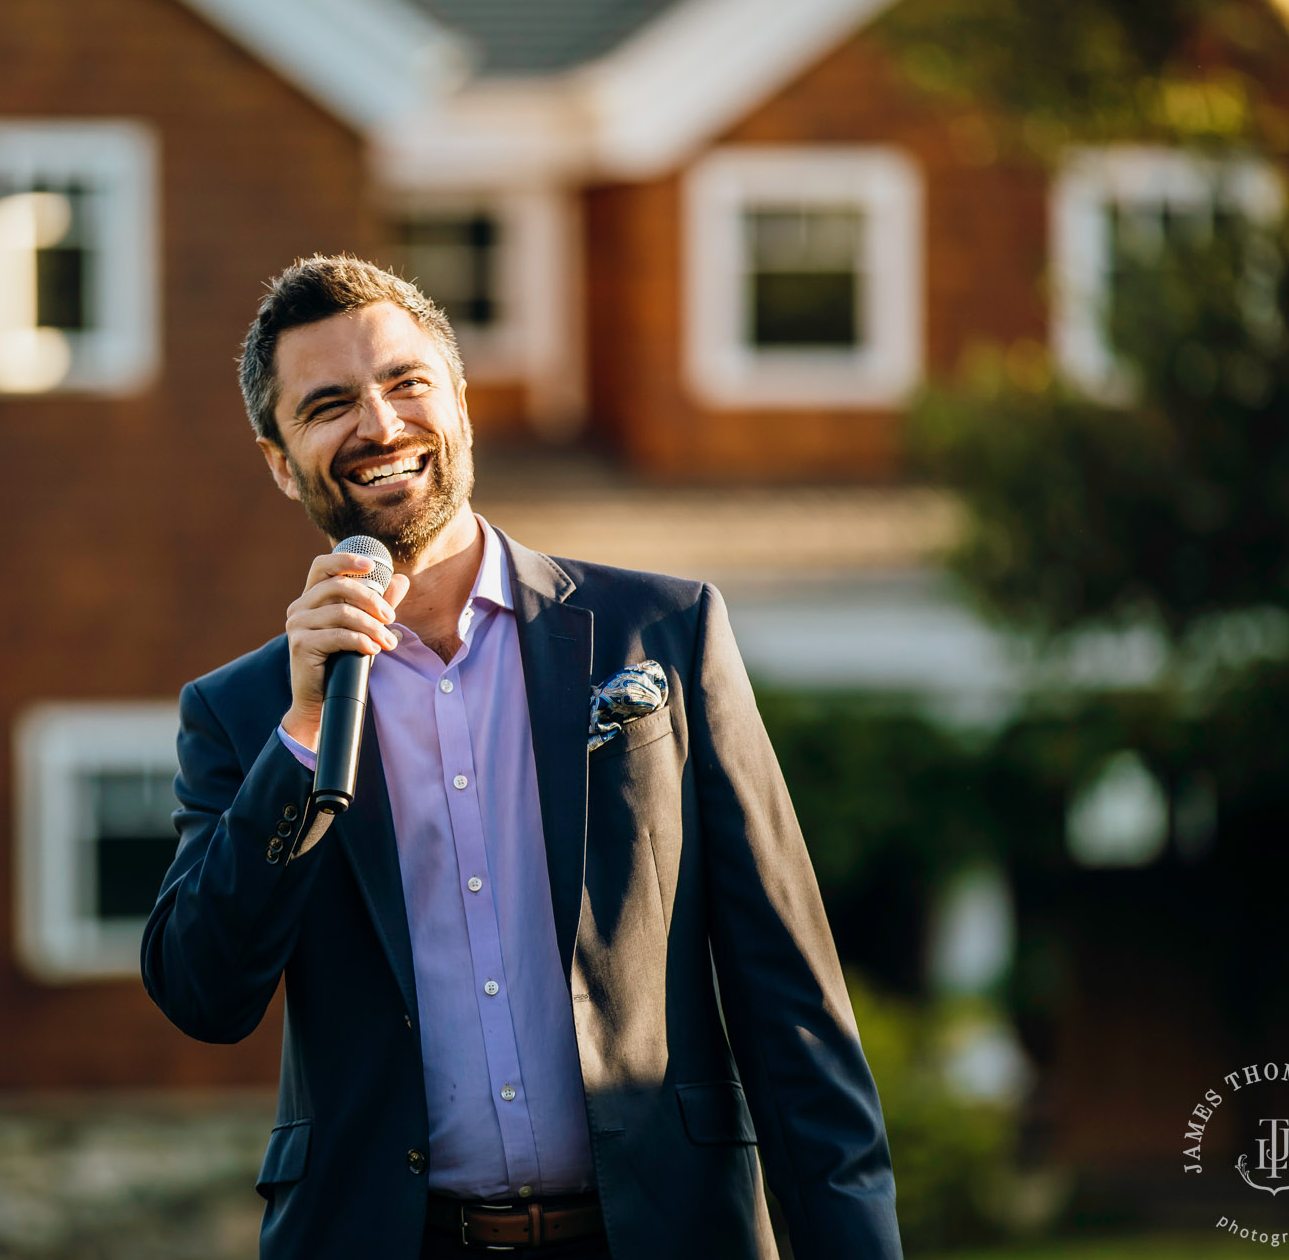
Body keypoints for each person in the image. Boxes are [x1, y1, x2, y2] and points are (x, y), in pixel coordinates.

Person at [142, 255, 902, 1259]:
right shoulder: (240, 715)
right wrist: (298, 735)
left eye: (405, 383)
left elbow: (789, 999)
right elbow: (202, 993)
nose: (377, 425)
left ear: (458, 401)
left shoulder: (661, 632)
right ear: (281, 460)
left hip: (664, 1235)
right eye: (327, 404)